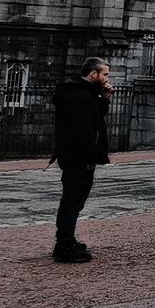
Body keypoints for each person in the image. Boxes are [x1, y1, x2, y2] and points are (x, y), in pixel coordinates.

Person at [49, 57, 111, 262]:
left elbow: (95, 117)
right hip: (78, 159)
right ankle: (64, 245)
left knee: (73, 202)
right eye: (105, 74)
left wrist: (104, 98)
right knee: (72, 202)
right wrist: (90, 159)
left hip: (74, 158)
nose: (106, 78)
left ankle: (66, 240)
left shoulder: (82, 94)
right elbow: (84, 133)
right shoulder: (80, 97)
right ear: (93, 74)